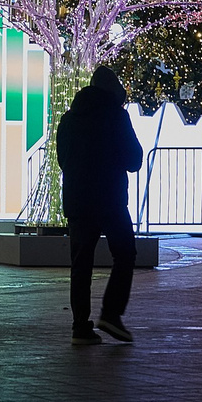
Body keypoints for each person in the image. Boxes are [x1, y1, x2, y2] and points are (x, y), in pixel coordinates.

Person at [55, 64, 143, 343]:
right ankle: (111, 314)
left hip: (77, 199)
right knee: (125, 253)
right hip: (110, 198)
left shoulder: (69, 118)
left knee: (81, 263)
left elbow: (62, 159)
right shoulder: (116, 116)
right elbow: (134, 159)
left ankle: (80, 326)